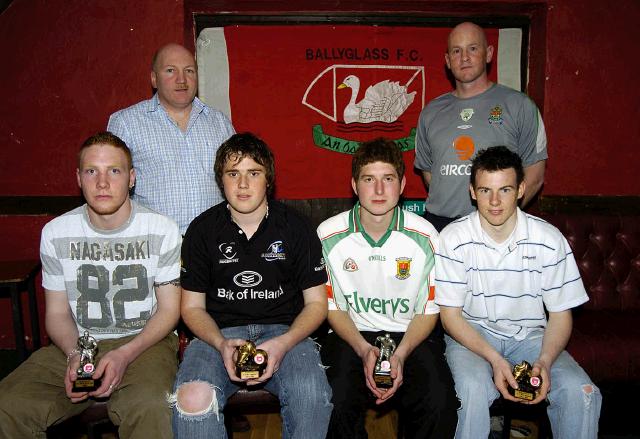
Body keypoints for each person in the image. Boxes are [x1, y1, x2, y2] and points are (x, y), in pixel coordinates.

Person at [0, 132, 182, 439]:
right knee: (8, 404)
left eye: (114, 170)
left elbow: (168, 310)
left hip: (144, 341)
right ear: (78, 178)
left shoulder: (160, 229)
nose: (102, 182)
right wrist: (74, 355)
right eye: (91, 171)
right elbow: (57, 314)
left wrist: (125, 354)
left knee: (149, 406)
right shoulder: (56, 232)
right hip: (77, 340)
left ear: (132, 178)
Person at [170, 133, 332, 438]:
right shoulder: (201, 230)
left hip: (285, 331)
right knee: (192, 399)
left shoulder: (296, 227)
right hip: (217, 333)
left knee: (310, 395)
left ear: (268, 179)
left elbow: (316, 304)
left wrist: (284, 343)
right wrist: (220, 344)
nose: (243, 184)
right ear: (221, 180)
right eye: (233, 174)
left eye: (253, 173)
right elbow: (191, 308)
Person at [436, 146, 601, 439]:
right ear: (473, 191)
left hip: (531, 336)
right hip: (471, 334)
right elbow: (450, 318)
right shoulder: (453, 238)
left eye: (505, 190)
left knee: (582, 391)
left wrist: (545, 362)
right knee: (471, 389)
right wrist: (496, 360)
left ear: (521, 189)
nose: (495, 201)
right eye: (485, 190)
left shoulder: (548, 239)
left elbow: (561, 315)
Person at [317, 138, 458, 438]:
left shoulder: (426, 236)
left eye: (388, 179)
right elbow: (333, 308)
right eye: (369, 179)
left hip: (411, 335)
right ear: (354, 185)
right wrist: (364, 349)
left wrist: (401, 354)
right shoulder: (329, 235)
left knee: (439, 403)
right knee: (334, 402)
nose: (379, 190)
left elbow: (428, 311)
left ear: (403, 184)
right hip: (351, 335)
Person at [414, 22, 548, 231]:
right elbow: (430, 174)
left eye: (473, 48)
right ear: (448, 60)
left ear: (489, 54)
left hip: (495, 226)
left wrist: (499, 219)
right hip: (440, 226)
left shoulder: (520, 106)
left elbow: (535, 176)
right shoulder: (430, 112)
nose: (464, 57)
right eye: (456, 51)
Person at [108, 43, 235, 234]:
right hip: (152, 245)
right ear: (154, 79)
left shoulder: (220, 123)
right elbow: (110, 188)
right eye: (170, 71)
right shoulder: (126, 123)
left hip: (214, 244)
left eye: (189, 71)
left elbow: (239, 179)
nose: (181, 80)